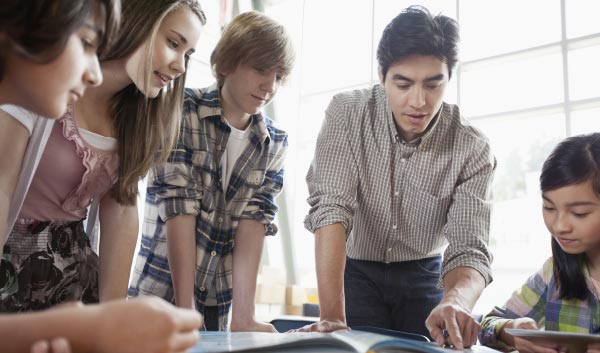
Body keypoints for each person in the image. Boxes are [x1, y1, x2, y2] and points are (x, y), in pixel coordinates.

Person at [0, 1, 202, 352]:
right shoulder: (39, 91)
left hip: (72, 275)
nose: (179, 65)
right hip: (13, 261)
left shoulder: (137, 118)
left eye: (189, 54)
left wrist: (114, 315)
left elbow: (122, 211)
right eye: (173, 43)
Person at [302, 5, 495, 349]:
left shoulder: (472, 147)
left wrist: (457, 300)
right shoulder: (346, 113)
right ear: (381, 75)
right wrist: (331, 315)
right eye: (403, 84)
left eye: (433, 85)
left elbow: (470, 248)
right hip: (355, 271)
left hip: (426, 275)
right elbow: (331, 209)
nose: (418, 102)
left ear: (450, 77)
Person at [129, 11, 295, 332]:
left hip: (217, 306)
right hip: (158, 297)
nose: (269, 86)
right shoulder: (180, 109)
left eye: (278, 76)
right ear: (226, 63)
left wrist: (244, 318)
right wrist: (185, 312)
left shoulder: (274, 143)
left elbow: (253, 223)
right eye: (261, 70)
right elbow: (179, 210)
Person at [479, 133, 600, 353]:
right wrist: (512, 330)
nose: (560, 225)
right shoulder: (553, 273)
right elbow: (487, 326)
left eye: (579, 213)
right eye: (550, 208)